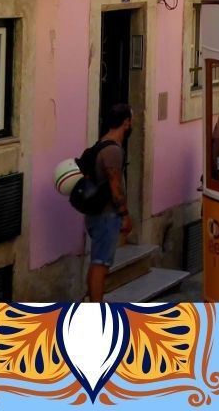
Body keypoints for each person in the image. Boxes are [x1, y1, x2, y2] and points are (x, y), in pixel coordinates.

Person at [83, 103, 133, 302]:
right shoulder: (113, 150)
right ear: (126, 122)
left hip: (95, 214)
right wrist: (125, 215)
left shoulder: (100, 144)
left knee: (97, 263)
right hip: (106, 215)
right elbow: (115, 187)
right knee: (100, 265)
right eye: (131, 121)